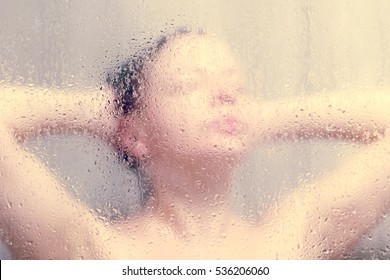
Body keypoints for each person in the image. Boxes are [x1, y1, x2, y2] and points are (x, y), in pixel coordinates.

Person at [1, 28, 390, 260]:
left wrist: (264, 119)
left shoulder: (289, 238)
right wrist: (105, 111)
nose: (225, 96)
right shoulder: (95, 249)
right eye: (189, 85)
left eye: (234, 86)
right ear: (133, 132)